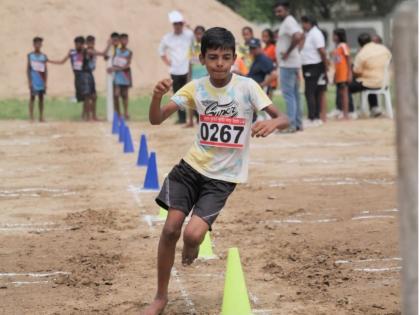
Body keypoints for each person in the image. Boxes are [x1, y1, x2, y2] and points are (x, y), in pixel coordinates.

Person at [141, 27, 289, 315]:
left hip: (221, 179)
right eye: (212, 58)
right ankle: (160, 297)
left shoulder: (247, 87)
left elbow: (283, 116)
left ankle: (192, 245)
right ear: (202, 59)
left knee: (193, 236)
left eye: (225, 57)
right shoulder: (195, 88)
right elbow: (157, 119)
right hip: (190, 169)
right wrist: (156, 98)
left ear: (234, 58)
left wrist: (273, 124)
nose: (219, 63)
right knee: (171, 228)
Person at [49, 36, 97, 121]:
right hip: (78, 77)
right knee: (85, 97)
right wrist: (49, 61)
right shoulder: (72, 53)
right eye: (76, 44)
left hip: (86, 76)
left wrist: (107, 48)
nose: (77, 46)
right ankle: (86, 116)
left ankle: (88, 116)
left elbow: (99, 53)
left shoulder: (86, 51)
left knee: (89, 96)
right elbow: (62, 61)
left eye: (79, 44)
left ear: (82, 44)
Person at [158, 10, 194, 124]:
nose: (178, 26)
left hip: (188, 69)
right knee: (178, 95)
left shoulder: (189, 34)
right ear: (173, 25)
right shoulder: (167, 37)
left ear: (182, 24)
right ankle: (182, 118)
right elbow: (161, 51)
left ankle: (196, 118)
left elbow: (200, 38)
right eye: (176, 24)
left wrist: (189, 25)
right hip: (175, 70)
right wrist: (167, 62)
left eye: (180, 23)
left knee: (193, 93)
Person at [274, 0, 304, 132]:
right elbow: (301, 36)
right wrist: (296, 51)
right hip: (292, 63)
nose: (277, 13)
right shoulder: (290, 21)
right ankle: (297, 123)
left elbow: (298, 37)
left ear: (286, 10)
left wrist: (288, 52)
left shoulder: (288, 21)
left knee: (288, 95)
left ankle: (291, 124)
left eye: (280, 11)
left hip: (288, 64)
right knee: (295, 94)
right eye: (276, 11)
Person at [349, 33, 392, 117]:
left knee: (347, 86)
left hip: (370, 83)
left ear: (360, 44)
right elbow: (389, 58)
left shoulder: (362, 54)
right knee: (369, 80)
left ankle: (350, 111)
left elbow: (356, 71)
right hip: (384, 81)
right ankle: (374, 107)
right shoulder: (383, 49)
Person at [300, 16, 328, 126]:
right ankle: (315, 117)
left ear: (309, 23)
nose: (302, 26)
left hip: (314, 65)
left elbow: (321, 50)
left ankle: (313, 117)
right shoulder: (308, 34)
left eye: (303, 23)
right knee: (313, 91)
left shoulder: (316, 33)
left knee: (310, 92)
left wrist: (325, 66)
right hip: (307, 65)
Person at [108, 33, 133, 120]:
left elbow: (127, 65)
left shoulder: (129, 52)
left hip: (125, 75)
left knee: (125, 95)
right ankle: (118, 113)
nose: (124, 41)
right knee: (116, 95)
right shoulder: (116, 50)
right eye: (122, 39)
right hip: (117, 77)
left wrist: (115, 69)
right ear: (120, 41)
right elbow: (110, 56)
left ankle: (126, 112)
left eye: (126, 40)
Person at [187, 25, 207, 127]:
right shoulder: (192, 47)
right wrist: (189, 77)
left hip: (204, 75)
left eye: (201, 33)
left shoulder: (207, 47)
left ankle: (203, 120)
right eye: (197, 34)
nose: (199, 36)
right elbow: (190, 62)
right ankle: (190, 121)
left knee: (203, 99)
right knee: (191, 98)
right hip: (194, 76)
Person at [86, 35, 110, 121]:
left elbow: (103, 55)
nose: (92, 44)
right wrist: (109, 44)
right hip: (86, 74)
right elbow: (103, 53)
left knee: (94, 96)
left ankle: (93, 115)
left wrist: (106, 56)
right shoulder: (88, 51)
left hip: (90, 74)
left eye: (93, 43)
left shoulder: (93, 51)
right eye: (90, 43)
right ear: (87, 43)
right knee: (89, 97)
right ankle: (89, 116)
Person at [331, 28, 352, 120]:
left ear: (339, 36)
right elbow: (337, 62)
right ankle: (342, 112)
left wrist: (349, 73)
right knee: (340, 94)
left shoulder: (343, 46)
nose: (333, 37)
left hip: (344, 73)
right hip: (339, 73)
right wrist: (335, 75)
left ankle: (346, 114)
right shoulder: (337, 47)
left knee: (344, 94)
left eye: (334, 35)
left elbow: (348, 59)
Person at [27, 37, 48, 122]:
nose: (38, 45)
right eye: (36, 43)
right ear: (33, 45)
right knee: (32, 98)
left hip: (41, 81)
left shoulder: (43, 57)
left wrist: (45, 82)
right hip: (34, 80)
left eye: (39, 43)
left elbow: (45, 70)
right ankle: (31, 117)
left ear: (41, 45)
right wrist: (30, 81)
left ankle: (41, 116)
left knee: (41, 99)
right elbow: (28, 69)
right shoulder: (30, 56)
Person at [261, 28, 278, 98]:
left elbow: (276, 61)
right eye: (263, 36)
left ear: (270, 37)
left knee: (268, 99)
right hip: (265, 77)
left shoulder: (273, 47)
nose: (264, 38)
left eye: (266, 36)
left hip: (270, 78)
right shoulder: (264, 48)